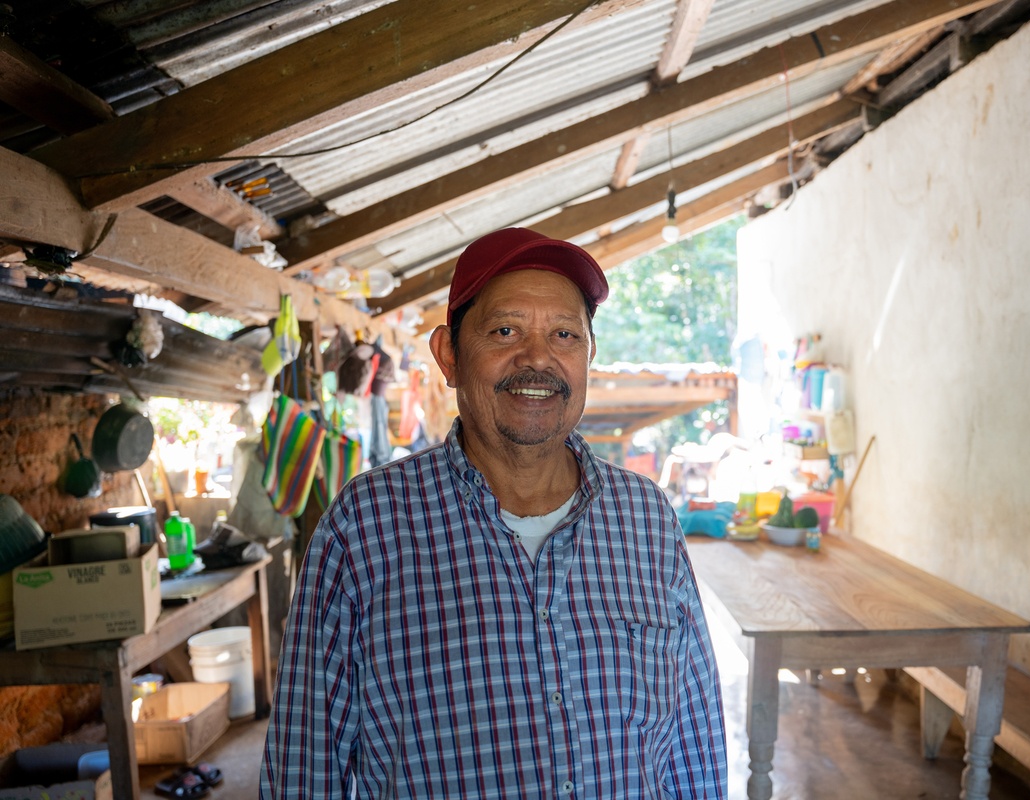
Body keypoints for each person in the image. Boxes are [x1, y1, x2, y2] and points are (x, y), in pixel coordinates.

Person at [259, 227, 727, 798]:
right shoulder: (365, 527)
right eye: (505, 331)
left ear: (588, 358)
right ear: (448, 355)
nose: (538, 359)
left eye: (564, 335)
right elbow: (306, 767)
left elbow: (693, 744)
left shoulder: (646, 519)